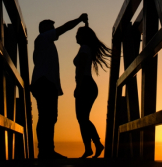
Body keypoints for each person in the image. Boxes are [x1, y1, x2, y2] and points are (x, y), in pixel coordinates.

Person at [31, 13, 88, 159]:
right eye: (51, 26)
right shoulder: (43, 38)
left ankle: (46, 150)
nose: (54, 28)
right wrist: (78, 20)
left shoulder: (44, 44)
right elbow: (65, 28)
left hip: (43, 83)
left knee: (48, 117)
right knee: (46, 117)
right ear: (44, 28)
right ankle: (46, 151)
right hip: (44, 83)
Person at [73, 25, 110, 158]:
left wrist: (78, 87)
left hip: (85, 85)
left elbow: (81, 69)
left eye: (78, 35)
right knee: (82, 118)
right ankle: (90, 148)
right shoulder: (85, 48)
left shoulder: (84, 48)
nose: (76, 37)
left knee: (82, 118)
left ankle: (96, 145)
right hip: (88, 85)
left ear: (84, 37)